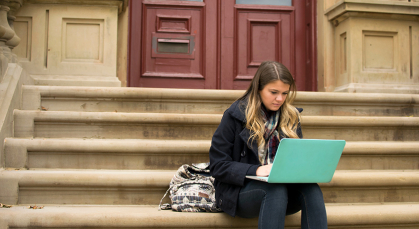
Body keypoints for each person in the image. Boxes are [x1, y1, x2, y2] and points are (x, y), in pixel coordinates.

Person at [209, 61, 328, 229]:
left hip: (283, 190)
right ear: (259, 88)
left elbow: (295, 160)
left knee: (312, 189)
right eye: (273, 92)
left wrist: (305, 169)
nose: (280, 99)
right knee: (274, 189)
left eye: (284, 93)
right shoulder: (234, 116)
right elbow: (217, 165)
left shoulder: (291, 117)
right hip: (240, 192)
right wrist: (256, 170)